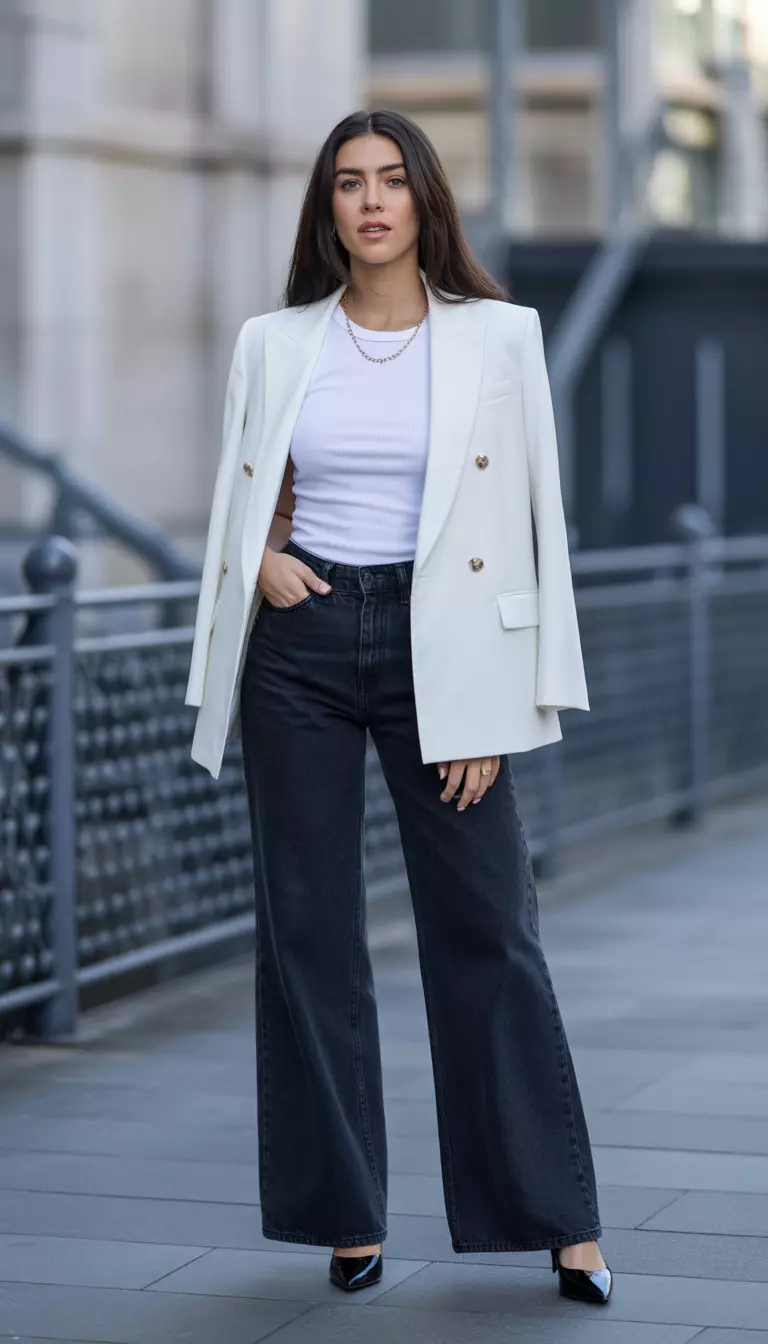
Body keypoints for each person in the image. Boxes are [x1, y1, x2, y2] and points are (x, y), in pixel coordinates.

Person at [185, 108, 613, 1307]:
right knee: (309, 934)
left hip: (447, 656)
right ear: (326, 210)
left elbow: (536, 528)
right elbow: (245, 495)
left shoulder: (501, 337)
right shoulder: (276, 342)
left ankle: (560, 1220)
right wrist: (262, 559)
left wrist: (498, 704)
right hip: (305, 644)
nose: (370, 202)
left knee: (492, 934)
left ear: (426, 200)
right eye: (347, 186)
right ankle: (345, 1215)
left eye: (391, 182)